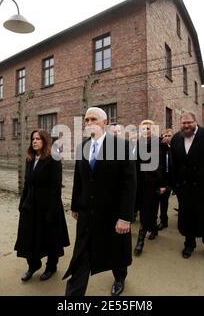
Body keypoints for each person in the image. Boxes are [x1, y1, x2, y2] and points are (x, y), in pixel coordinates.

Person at [63, 107, 136, 296]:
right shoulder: (82, 147)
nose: (88, 123)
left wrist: (125, 217)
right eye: (86, 120)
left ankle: (120, 277)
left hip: (113, 214)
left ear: (105, 123)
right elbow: (79, 180)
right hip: (87, 213)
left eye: (93, 119)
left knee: (116, 251)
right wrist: (75, 205)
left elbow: (129, 185)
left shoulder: (122, 147)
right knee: (81, 254)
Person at [14, 129, 70, 281]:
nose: (34, 141)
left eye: (38, 138)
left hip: (48, 206)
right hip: (30, 205)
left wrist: (51, 212)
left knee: (50, 237)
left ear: (45, 141)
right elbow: (26, 184)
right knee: (28, 237)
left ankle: (51, 266)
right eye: (33, 138)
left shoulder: (53, 159)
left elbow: (55, 187)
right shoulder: (30, 159)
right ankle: (33, 265)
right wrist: (22, 204)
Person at [170, 111, 204, 259]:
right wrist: (175, 186)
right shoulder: (176, 138)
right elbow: (173, 164)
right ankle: (189, 244)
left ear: (196, 122)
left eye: (189, 122)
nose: (186, 125)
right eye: (184, 123)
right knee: (187, 217)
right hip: (185, 188)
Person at [133, 120, 166, 256]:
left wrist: (163, 184)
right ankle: (153, 228)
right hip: (139, 181)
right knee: (143, 207)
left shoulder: (159, 144)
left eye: (148, 128)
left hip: (153, 182)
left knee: (147, 209)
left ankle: (140, 240)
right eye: (143, 128)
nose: (145, 131)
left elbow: (163, 165)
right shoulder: (138, 143)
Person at [157, 129, 174, 230]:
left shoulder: (175, 148)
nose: (167, 137)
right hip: (164, 178)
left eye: (169, 136)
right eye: (165, 136)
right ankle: (163, 221)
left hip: (174, 178)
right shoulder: (160, 148)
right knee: (163, 200)